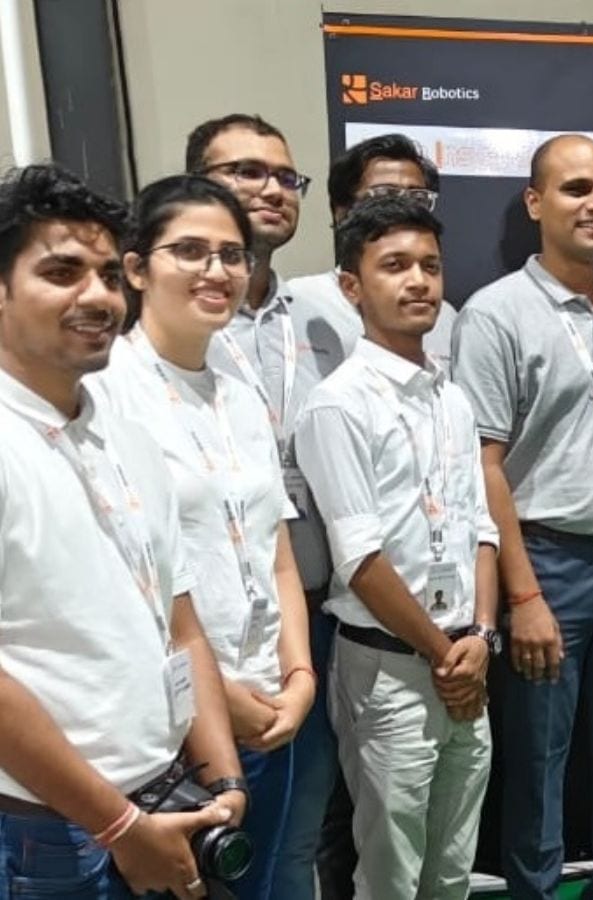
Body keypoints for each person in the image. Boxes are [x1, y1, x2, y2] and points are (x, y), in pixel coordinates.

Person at [0, 163, 245, 900]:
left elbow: (179, 619)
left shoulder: (125, 432)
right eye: (62, 272)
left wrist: (223, 780)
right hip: (46, 830)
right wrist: (118, 826)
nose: (98, 296)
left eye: (109, 275)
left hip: (166, 795)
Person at [452, 133, 593, 899]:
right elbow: (482, 466)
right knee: (538, 761)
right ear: (536, 203)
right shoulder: (495, 315)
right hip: (545, 562)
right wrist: (524, 594)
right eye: (577, 189)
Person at [92, 174, 313, 899]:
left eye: (231, 255)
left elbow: (277, 553)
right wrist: (220, 699)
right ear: (135, 268)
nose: (216, 270)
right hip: (176, 729)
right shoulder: (104, 394)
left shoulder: (240, 394)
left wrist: (300, 677)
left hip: (274, 708)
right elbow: (124, 583)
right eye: (189, 251)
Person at [295, 197, 499, 898]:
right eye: (395, 266)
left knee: (454, 867)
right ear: (352, 286)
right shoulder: (338, 404)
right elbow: (360, 559)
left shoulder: (452, 398)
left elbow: (482, 529)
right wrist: (445, 656)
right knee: (391, 872)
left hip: (465, 657)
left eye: (430, 266)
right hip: (391, 670)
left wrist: (481, 637)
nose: (419, 281)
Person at [187, 113, 339, 899]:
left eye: (285, 176)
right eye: (246, 172)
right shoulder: (163, 342)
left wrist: (301, 665)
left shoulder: (325, 318)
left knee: (294, 839)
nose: (273, 188)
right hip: (201, 647)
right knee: (208, 856)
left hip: (309, 617)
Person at [285, 132, 458, 374]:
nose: (402, 208)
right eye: (384, 195)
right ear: (341, 211)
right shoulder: (298, 302)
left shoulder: (444, 317)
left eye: (418, 198)